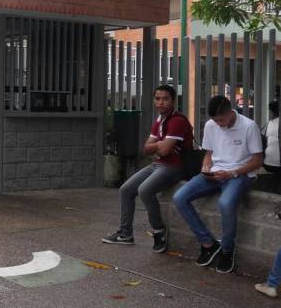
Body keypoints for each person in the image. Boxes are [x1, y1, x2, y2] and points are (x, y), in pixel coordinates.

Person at [173, 95, 263, 274]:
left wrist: (232, 173)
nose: (218, 124)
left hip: (240, 174)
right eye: (215, 120)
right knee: (179, 197)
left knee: (225, 203)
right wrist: (206, 167)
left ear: (230, 112)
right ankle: (208, 244)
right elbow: (209, 153)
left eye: (221, 120)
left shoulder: (249, 126)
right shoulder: (210, 125)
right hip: (214, 173)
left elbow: (258, 161)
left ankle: (227, 250)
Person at [102, 84, 193, 253]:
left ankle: (158, 230)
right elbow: (146, 149)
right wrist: (160, 144)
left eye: (165, 99)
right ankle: (125, 233)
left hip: (175, 166)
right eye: (157, 99)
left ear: (173, 101)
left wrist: (158, 146)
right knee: (126, 190)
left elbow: (163, 151)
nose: (161, 102)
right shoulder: (159, 120)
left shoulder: (177, 121)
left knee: (145, 190)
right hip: (158, 164)